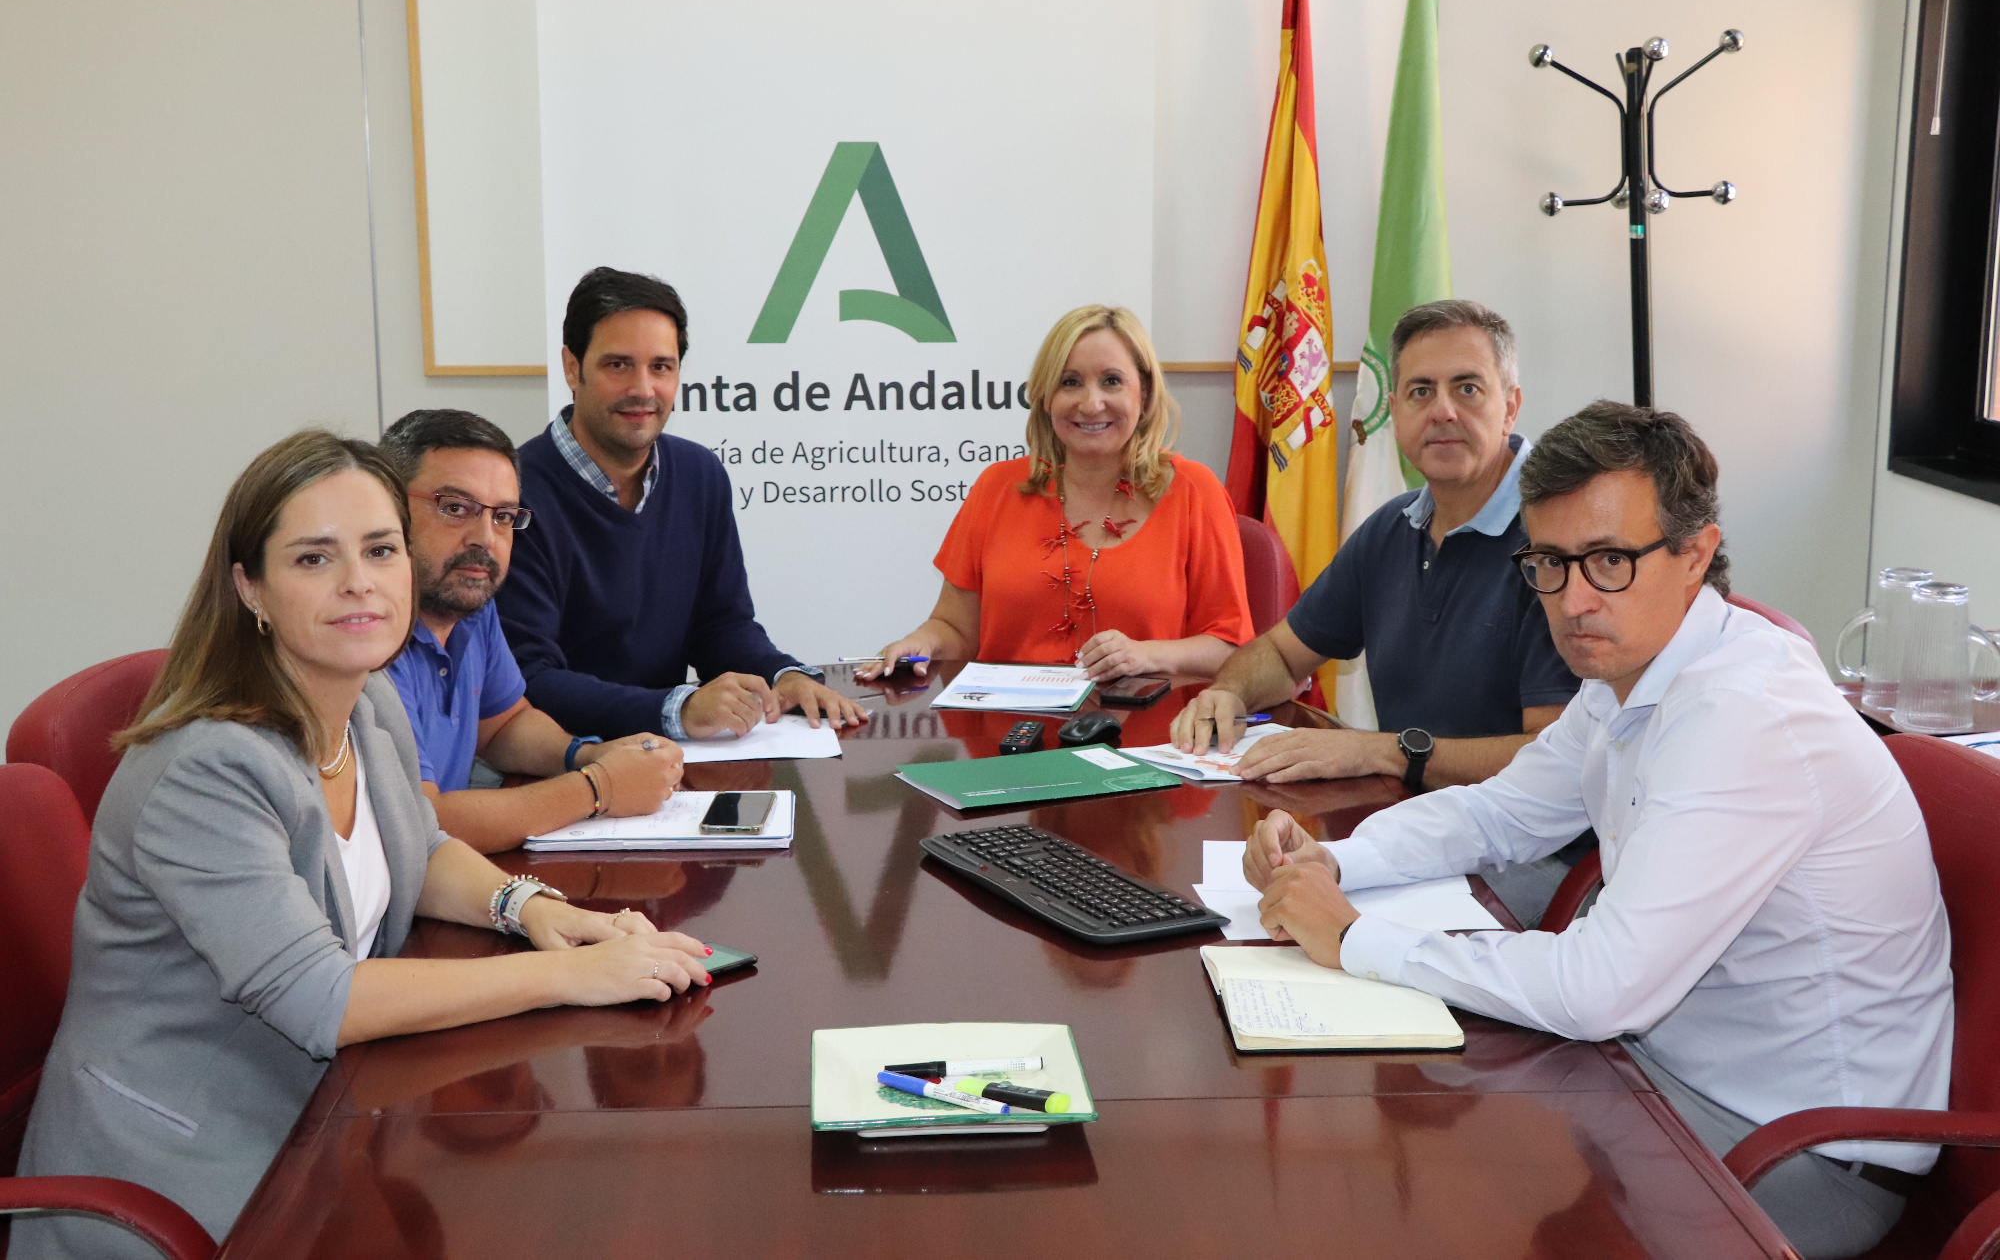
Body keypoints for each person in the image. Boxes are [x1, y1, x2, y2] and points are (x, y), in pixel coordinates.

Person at [1247, 401, 1951, 1260]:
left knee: (1443, 1195)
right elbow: (1501, 810)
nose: (1574, 600)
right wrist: (1336, 861)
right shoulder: (1631, 667)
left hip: (1803, 1151)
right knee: (1418, 1148)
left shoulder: (1742, 714)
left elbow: (1598, 987)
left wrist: (1353, 936)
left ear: (1695, 554)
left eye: (1610, 559)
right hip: (1668, 1073)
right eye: (1550, 561)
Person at [12, 431, 717, 1260]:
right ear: (251, 588)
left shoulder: (366, 699)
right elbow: (320, 996)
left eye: (380, 550)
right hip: (185, 1172)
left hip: (329, 1121)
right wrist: (570, 977)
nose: (359, 583)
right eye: (314, 559)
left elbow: (420, 847)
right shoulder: (206, 767)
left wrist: (530, 907)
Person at [1173, 299, 1579, 792]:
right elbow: (1282, 657)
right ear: (1395, 407)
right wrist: (1229, 692)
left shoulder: (1561, 539)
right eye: (1420, 391)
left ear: (1510, 406)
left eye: (1467, 388)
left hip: (1529, 849)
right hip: (1410, 819)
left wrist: (1378, 750)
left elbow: (1554, 759)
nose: (1443, 411)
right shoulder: (1391, 527)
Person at [499, 267, 866, 740]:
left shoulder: (700, 476)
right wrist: (678, 708)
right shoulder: (513, 495)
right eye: (618, 365)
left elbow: (721, 626)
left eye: (661, 367)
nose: (643, 389)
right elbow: (526, 679)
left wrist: (783, 675)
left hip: (669, 759)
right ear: (573, 367)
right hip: (559, 762)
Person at [863, 304, 1253, 682]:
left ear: (1145, 393)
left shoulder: (1194, 491)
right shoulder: (997, 487)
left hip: (1143, 737)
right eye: (1070, 382)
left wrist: (1145, 655)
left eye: (1112, 381)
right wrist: (920, 642)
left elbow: (1231, 649)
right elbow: (955, 629)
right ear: (1047, 397)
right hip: (1009, 738)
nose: (1091, 402)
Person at [377, 409, 684, 853]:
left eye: (503, 516)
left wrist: (587, 755)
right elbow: (424, 824)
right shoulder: (367, 639)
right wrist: (599, 787)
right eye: (456, 508)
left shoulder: (470, 605)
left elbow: (504, 725)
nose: (485, 538)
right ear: (388, 507)